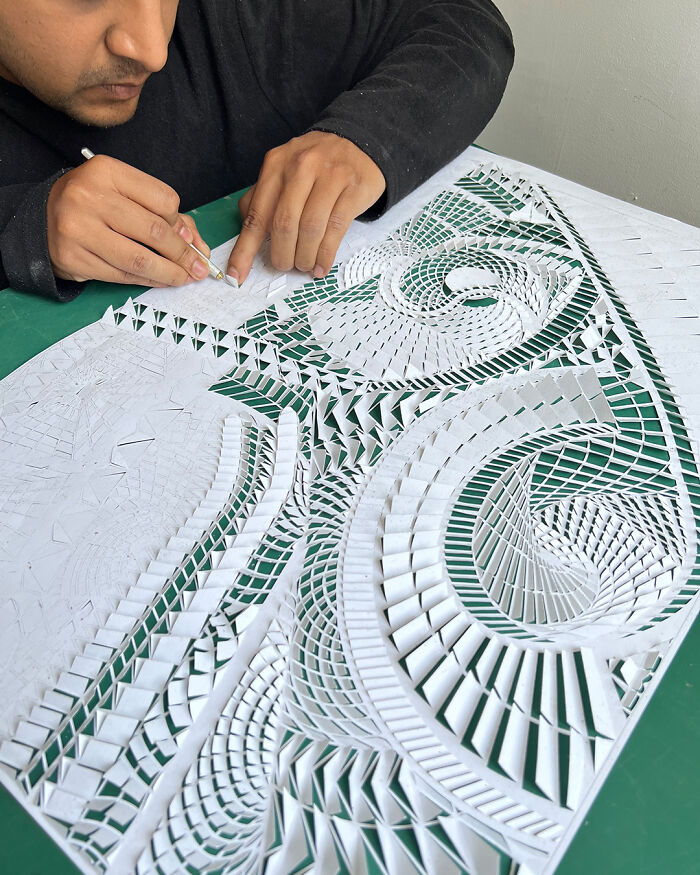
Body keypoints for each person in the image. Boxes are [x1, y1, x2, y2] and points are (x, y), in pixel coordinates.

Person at [0, 0, 514, 302]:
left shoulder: (237, 18)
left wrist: (367, 137)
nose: (152, 50)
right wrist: (20, 228)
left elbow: (465, 24)